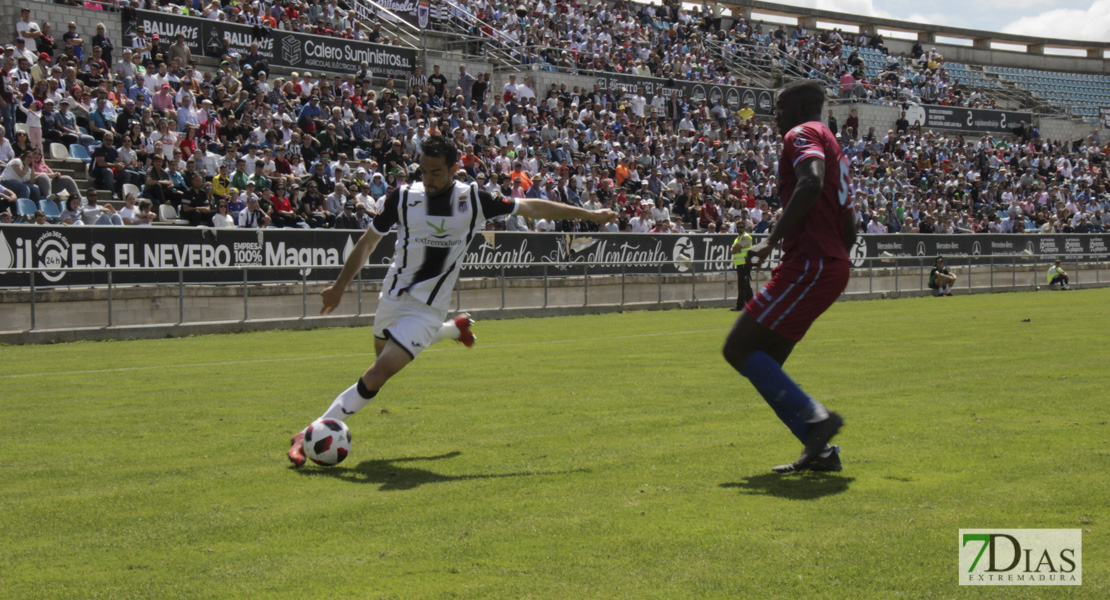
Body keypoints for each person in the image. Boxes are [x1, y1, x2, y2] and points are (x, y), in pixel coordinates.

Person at [287, 136, 617, 466]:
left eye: (437, 173)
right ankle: (453, 330)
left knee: (376, 375)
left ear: (454, 169)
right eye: (424, 172)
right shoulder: (402, 198)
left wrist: (589, 215)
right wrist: (339, 287)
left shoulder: (473, 199)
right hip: (392, 297)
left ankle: (307, 434)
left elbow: (533, 206)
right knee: (381, 359)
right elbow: (368, 243)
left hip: (427, 308)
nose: (429, 180)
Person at [721, 80, 854, 474]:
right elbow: (848, 217)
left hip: (810, 265)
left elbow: (810, 182)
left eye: (779, 109)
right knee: (763, 362)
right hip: (824, 264)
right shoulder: (833, 142)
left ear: (797, 109)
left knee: (738, 348)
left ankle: (818, 418)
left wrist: (771, 241)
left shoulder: (803, 133)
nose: (775, 117)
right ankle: (822, 453)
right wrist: (839, 262)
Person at [731, 219, 753, 311]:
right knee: (746, 286)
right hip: (740, 264)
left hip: (744, 263)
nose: (739, 228)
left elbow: (735, 248)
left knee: (742, 285)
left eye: (741, 227)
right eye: (738, 227)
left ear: (745, 228)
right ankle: (752, 305)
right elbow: (732, 249)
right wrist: (735, 249)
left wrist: (735, 249)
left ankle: (740, 306)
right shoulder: (738, 238)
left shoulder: (746, 237)